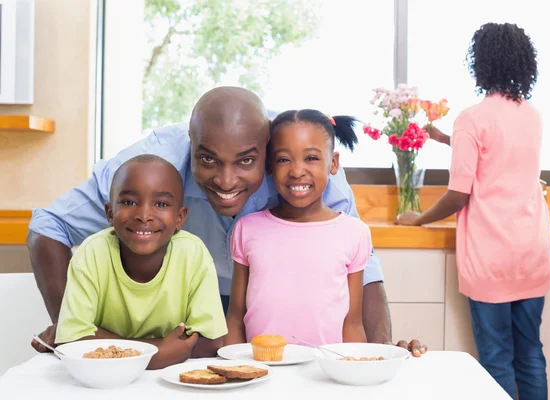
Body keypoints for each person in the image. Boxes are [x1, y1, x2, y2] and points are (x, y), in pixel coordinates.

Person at [27, 86, 425, 355]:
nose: (226, 180)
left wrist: (379, 354)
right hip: (183, 312)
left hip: (272, 312)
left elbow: (364, 268)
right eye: (207, 159)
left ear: (270, 153)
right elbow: (48, 227)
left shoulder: (304, 167)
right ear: (190, 143)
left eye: (247, 161)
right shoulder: (154, 164)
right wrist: (76, 337)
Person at [395, 23, 550, 399]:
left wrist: (417, 218)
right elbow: (499, 152)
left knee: (497, 359)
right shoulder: (531, 114)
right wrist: (446, 139)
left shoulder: (472, 118)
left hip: (491, 256)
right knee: (531, 355)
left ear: (480, 63)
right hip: (532, 253)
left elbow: (458, 195)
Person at [52, 154, 227, 369]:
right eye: (129, 202)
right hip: (104, 378)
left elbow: (210, 342)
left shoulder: (193, 254)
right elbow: (71, 341)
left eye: (161, 204)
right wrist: (156, 353)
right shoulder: (92, 253)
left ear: (180, 217)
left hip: (173, 379)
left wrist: (103, 339)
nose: (144, 215)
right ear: (109, 213)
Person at [225, 110, 370, 346]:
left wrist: (359, 374)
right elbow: (235, 319)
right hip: (262, 371)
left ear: (333, 163)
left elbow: (352, 324)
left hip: (325, 372)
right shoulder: (247, 229)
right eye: (283, 159)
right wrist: (236, 370)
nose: (296, 171)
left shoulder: (354, 233)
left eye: (311, 158)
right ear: (269, 166)